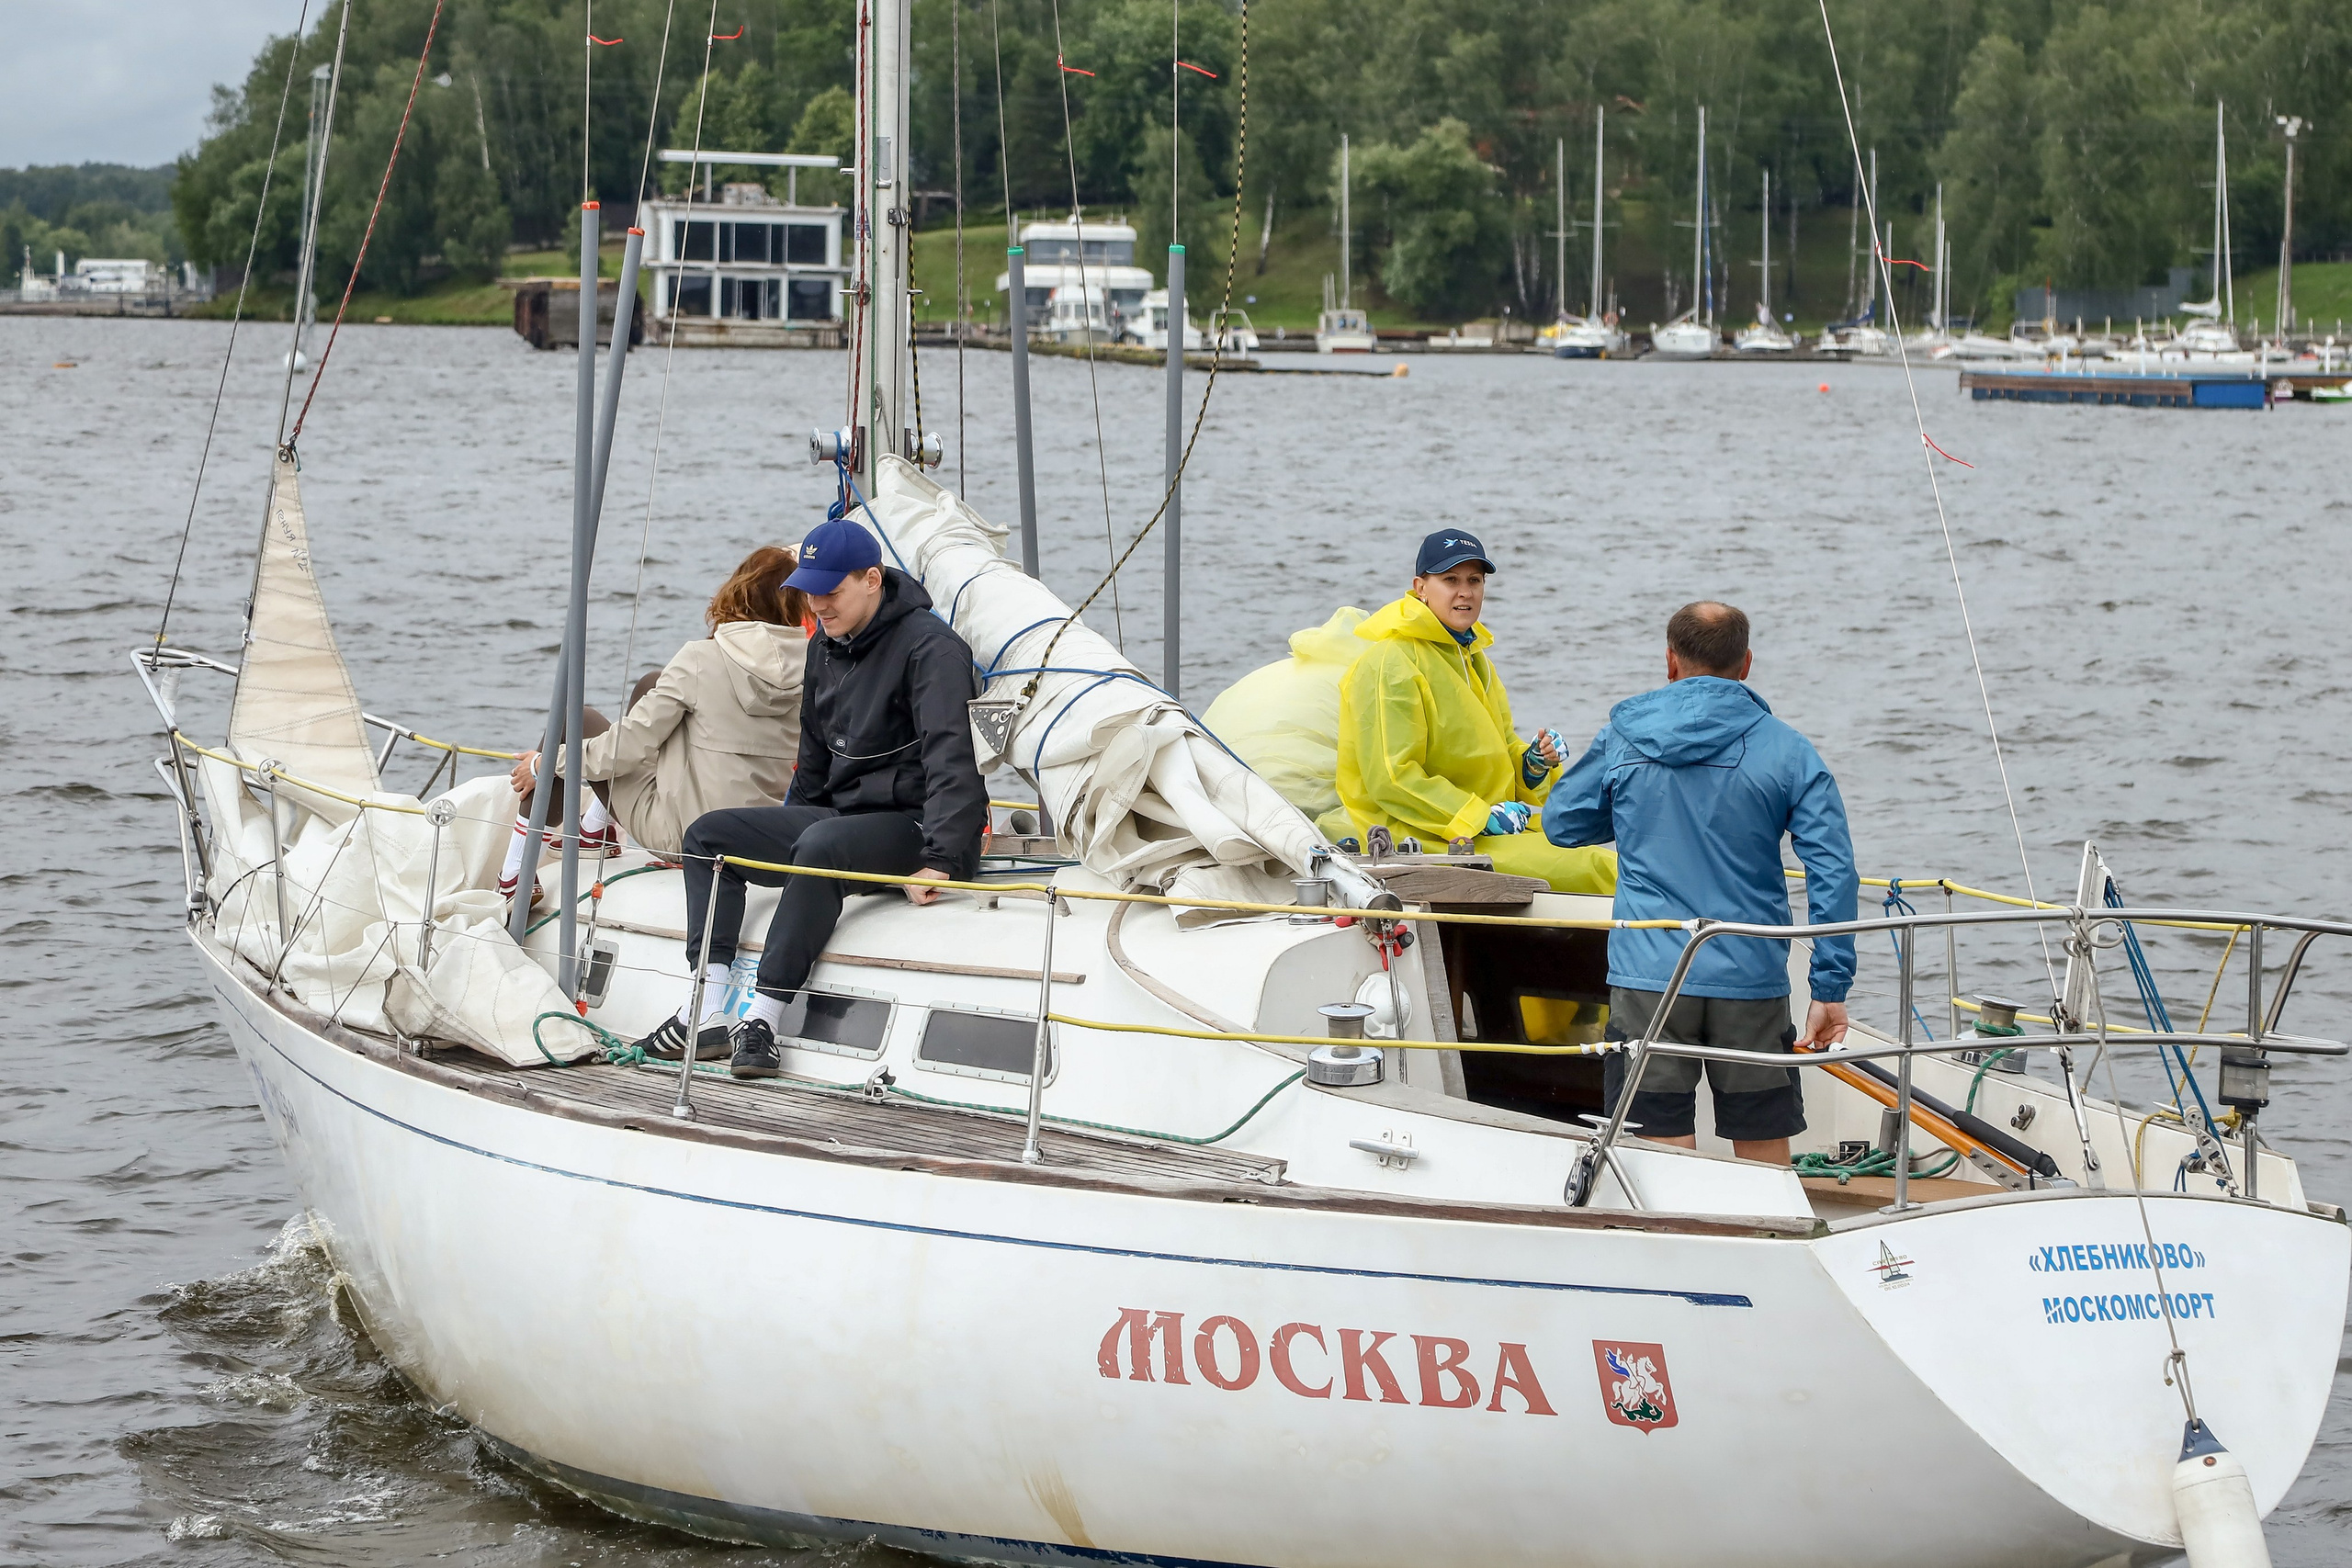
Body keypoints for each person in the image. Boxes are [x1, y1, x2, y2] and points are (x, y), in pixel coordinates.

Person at [633, 516, 988, 1075]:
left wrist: (942, 859)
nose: (817, 604)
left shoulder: (933, 649)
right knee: (708, 835)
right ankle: (706, 1009)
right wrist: (786, 837)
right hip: (840, 818)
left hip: (916, 827)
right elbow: (815, 758)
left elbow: (953, 760)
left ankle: (764, 1018)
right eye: (810, 591)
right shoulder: (825, 645)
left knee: (821, 842)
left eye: (831, 591)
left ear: (872, 579)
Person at [1542, 601, 1857, 1166]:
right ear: (1747, 663)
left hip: (1650, 975)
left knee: (1660, 1148)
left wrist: (1638, 808)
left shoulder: (1624, 737)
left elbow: (1564, 823)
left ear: (1670, 661)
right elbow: (1832, 870)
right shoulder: (1789, 750)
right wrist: (1829, 986)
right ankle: (1767, 1239)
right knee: (1763, 1144)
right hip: (1751, 974)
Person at [501, 547, 808, 896]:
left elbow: (626, 749)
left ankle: (515, 876)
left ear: (739, 590)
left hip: (690, 835)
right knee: (653, 682)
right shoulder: (813, 666)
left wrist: (545, 765)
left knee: (575, 722)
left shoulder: (699, 657)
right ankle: (595, 832)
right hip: (756, 834)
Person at [1327, 528, 1616, 895]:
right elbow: (1392, 779)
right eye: (1450, 580)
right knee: (1601, 868)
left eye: (1474, 580)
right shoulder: (1391, 662)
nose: (1465, 592)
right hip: (1417, 832)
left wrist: (1531, 766)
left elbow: (1498, 750)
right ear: (1420, 587)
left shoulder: (1474, 657)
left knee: (1604, 851)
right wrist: (1480, 818)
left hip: (1474, 826)